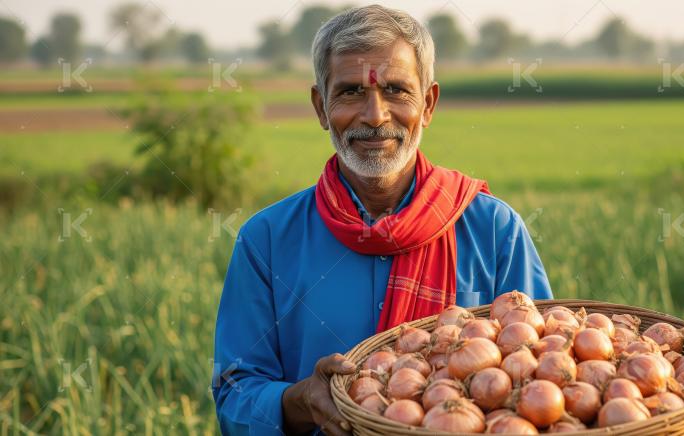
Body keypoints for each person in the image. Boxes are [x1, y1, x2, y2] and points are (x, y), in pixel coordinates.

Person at [212, 5, 552, 435]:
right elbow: (232, 396)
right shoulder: (266, 240)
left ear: (428, 105)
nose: (375, 116)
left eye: (396, 90)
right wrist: (301, 400)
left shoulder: (494, 231)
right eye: (351, 92)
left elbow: (541, 377)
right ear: (320, 107)